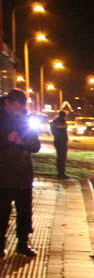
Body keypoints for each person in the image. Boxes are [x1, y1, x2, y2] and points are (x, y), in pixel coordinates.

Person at [0, 90, 41, 258]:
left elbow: (36, 145)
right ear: (7, 103)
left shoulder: (26, 121)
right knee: (2, 211)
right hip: (3, 174)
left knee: (24, 210)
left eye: (21, 106)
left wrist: (23, 142)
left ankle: (23, 243)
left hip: (23, 174)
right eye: (15, 106)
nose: (18, 110)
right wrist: (5, 139)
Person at [50, 110, 69, 179]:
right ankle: (61, 173)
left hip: (58, 141)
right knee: (62, 158)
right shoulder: (60, 121)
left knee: (60, 158)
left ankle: (61, 173)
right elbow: (62, 128)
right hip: (61, 142)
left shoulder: (55, 121)